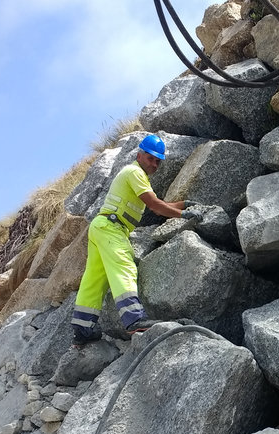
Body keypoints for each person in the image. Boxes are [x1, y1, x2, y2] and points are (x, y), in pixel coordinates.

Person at [71, 133, 198, 346]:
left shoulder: (136, 175)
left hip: (101, 227)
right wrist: (184, 214)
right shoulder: (134, 172)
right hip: (112, 228)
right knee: (125, 267)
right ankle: (134, 319)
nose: (155, 164)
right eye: (151, 158)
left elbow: (159, 206)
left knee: (95, 279)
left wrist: (184, 204)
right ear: (139, 154)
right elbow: (155, 206)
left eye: (158, 161)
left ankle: (82, 330)